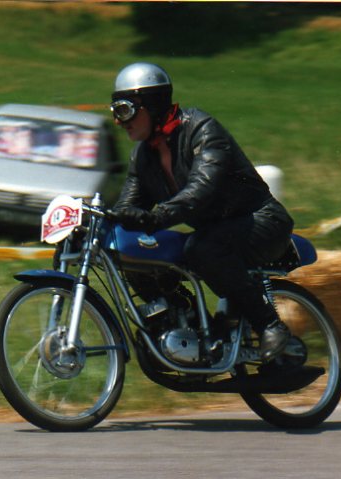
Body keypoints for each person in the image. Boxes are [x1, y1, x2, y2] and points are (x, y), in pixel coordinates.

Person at [110, 62, 294, 362]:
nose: (120, 121)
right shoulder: (143, 156)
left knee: (202, 248)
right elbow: (126, 208)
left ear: (152, 104)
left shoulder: (201, 129)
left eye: (126, 110)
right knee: (134, 250)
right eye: (116, 112)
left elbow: (200, 191)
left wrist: (157, 218)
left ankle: (270, 325)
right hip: (216, 233)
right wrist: (101, 222)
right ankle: (187, 324)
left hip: (262, 221)